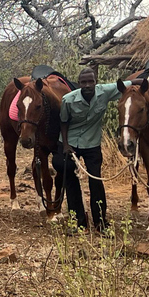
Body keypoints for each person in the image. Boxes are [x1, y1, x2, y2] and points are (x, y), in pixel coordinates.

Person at [52, 67, 136, 236]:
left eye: (91, 81)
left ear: (96, 81)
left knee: (96, 180)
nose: (87, 85)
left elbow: (132, 83)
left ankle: (100, 222)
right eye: (83, 82)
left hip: (92, 142)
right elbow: (63, 122)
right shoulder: (68, 100)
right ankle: (78, 222)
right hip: (70, 142)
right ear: (79, 83)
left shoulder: (104, 92)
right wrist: (66, 145)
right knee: (70, 179)